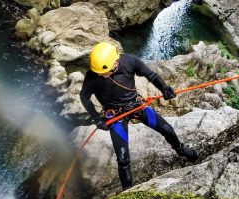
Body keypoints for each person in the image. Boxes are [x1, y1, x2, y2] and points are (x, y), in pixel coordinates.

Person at [80, 42, 198, 190]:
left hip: (135, 105)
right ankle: (127, 193)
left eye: (104, 72)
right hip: (114, 114)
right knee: (123, 160)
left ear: (115, 63)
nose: (100, 75)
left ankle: (180, 149)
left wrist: (164, 88)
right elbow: (84, 97)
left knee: (167, 129)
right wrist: (97, 119)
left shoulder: (129, 61)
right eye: (98, 72)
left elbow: (151, 75)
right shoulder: (92, 75)